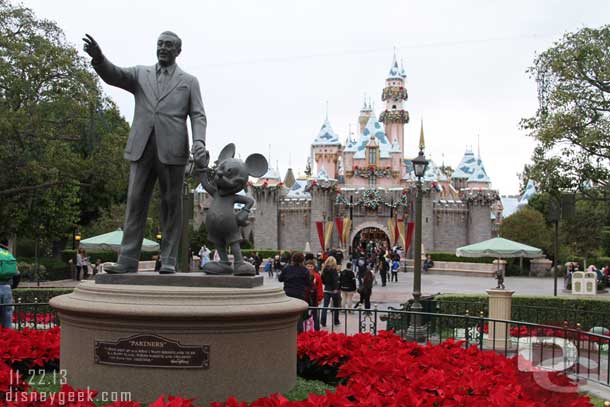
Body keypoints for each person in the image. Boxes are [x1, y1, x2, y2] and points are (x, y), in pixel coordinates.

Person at [83, 31, 209, 274]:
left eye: (169, 45)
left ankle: (169, 259)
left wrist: (199, 141)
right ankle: (128, 259)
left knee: (171, 205)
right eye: (160, 44)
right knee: (135, 202)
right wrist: (99, 59)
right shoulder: (141, 73)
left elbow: (198, 114)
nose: (163, 48)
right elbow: (115, 75)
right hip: (141, 147)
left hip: (173, 149)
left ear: (178, 51)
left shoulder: (189, 81)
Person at [278, 253, 311, 333]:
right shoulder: (305, 270)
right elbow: (308, 283)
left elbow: (280, 279)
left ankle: (286, 331)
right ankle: (299, 334)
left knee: (287, 313)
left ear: (292, 259)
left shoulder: (286, 268)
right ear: (303, 260)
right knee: (299, 315)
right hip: (300, 295)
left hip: (288, 294)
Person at [320, 256, 341, 327]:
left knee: (325, 306)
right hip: (334, 290)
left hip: (326, 289)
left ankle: (323, 320)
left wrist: (326, 284)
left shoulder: (324, 269)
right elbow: (335, 280)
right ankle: (336, 320)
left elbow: (322, 279)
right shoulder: (333, 270)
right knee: (336, 306)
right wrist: (336, 288)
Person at [305, 260, 324, 331]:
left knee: (315, 314)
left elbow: (320, 288)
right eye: (308, 266)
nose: (309, 268)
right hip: (305, 298)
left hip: (313, 298)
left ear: (313, 267)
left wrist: (320, 298)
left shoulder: (317, 276)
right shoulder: (302, 275)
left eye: (311, 266)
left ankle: (316, 328)